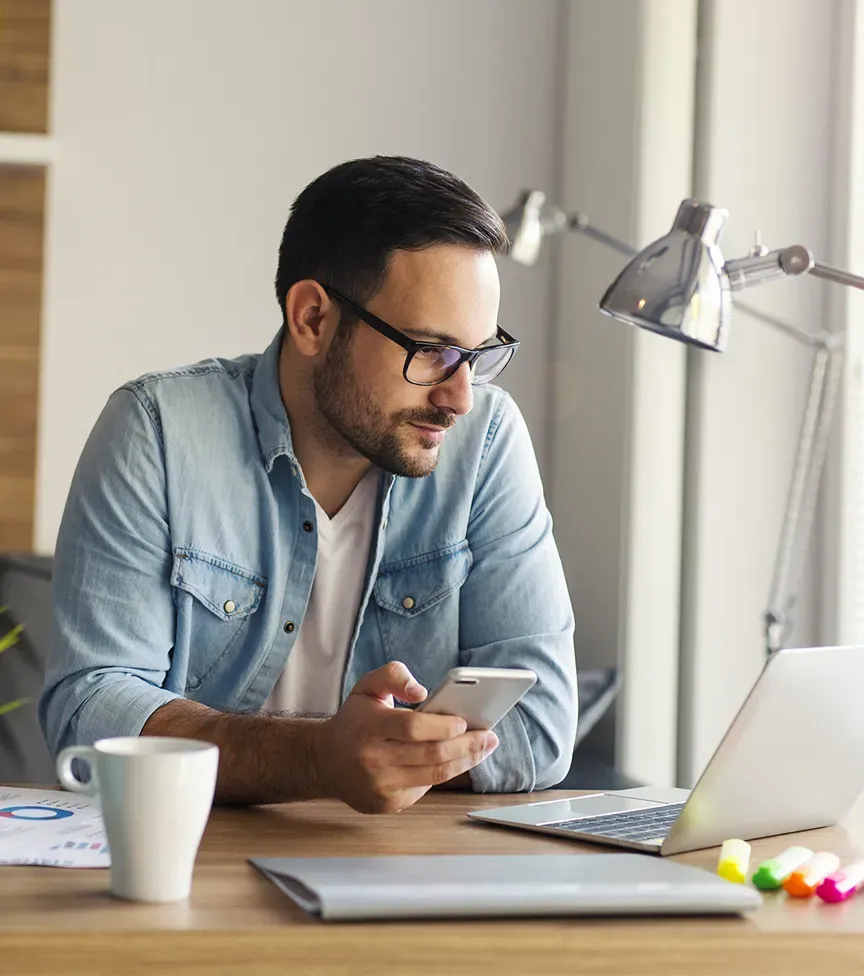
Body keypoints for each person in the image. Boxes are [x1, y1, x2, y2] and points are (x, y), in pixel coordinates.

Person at [38, 155, 578, 813]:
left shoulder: (487, 443)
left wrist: (381, 761)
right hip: (191, 863)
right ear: (313, 319)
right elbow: (90, 707)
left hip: (403, 868)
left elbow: (542, 725)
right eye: (431, 351)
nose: (461, 398)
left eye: (479, 355)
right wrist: (320, 760)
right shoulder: (158, 431)